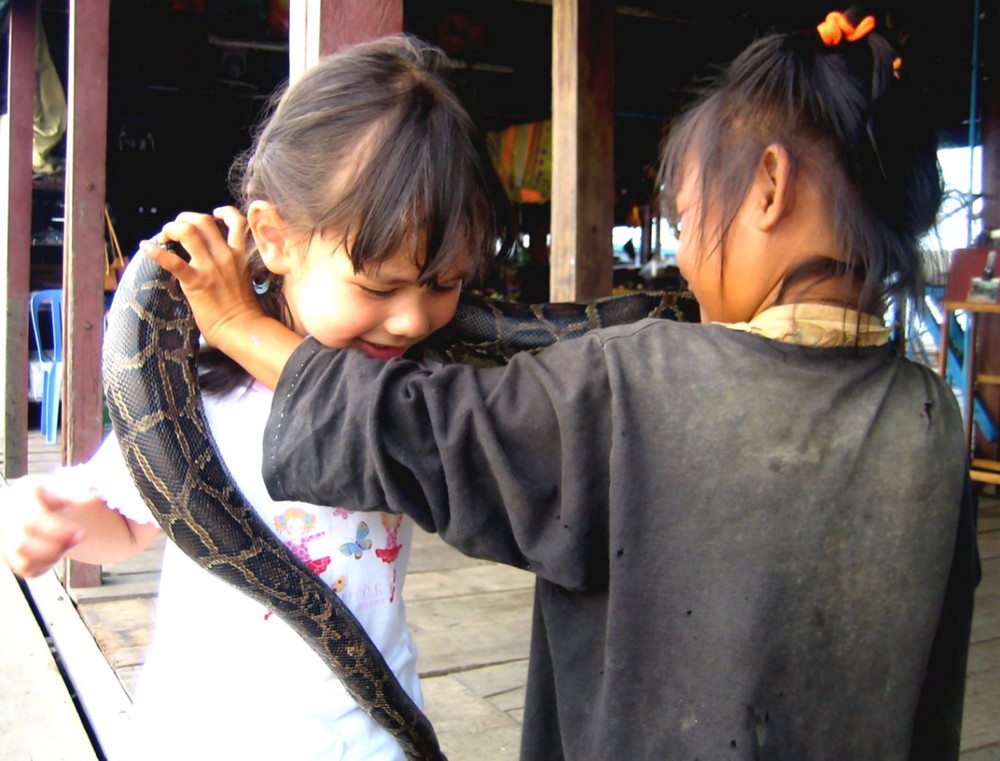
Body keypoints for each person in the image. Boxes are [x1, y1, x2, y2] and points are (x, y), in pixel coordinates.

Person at [144, 10, 980, 760]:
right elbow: (937, 695)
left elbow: (413, 430)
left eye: (688, 222)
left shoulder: (634, 386)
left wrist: (238, 327)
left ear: (769, 187)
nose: (684, 260)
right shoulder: (936, 422)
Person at [1, 35, 514, 760]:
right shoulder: (196, 396)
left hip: (370, 733)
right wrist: (59, 518)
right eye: (378, 287)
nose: (412, 318)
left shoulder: (415, 394)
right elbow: (125, 522)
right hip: (207, 736)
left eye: (444, 283)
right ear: (274, 237)